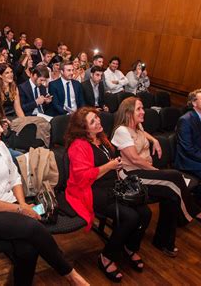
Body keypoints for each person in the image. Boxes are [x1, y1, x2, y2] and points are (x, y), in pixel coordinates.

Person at [0, 107, 89, 286]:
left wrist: (22, 203)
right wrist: (21, 209)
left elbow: (14, 177)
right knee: (33, 227)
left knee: (29, 248)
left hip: (9, 205)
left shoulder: (0, 146)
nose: (1, 129)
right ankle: (71, 275)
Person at [65, 107, 151, 282]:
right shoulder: (78, 146)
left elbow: (110, 163)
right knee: (130, 217)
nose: (98, 121)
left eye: (97, 118)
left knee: (145, 213)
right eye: (92, 121)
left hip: (112, 185)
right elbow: (82, 177)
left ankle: (129, 246)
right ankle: (106, 257)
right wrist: (109, 167)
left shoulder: (101, 139)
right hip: (91, 190)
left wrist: (115, 167)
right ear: (83, 128)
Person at [111, 97, 201, 228]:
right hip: (130, 175)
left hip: (143, 170)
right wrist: (156, 171)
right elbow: (134, 159)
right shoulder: (121, 131)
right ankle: (195, 211)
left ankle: (164, 240)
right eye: (139, 109)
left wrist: (154, 140)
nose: (143, 111)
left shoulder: (137, 126)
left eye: (142, 107)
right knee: (174, 176)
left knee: (172, 195)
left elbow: (142, 132)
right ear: (128, 112)